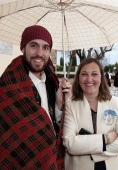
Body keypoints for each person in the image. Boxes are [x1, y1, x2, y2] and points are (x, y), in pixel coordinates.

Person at [0, 25, 72, 169]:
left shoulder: (53, 83)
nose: (40, 53)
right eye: (34, 46)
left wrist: (59, 105)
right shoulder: (8, 86)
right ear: (23, 48)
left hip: (52, 159)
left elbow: (54, 126)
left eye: (45, 47)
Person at [62, 58, 118, 170]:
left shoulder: (116, 103)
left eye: (94, 74)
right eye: (84, 74)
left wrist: (89, 151)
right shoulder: (71, 105)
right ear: (78, 78)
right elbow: (70, 144)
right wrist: (105, 139)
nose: (89, 79)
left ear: (101, 78)